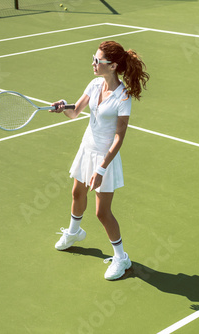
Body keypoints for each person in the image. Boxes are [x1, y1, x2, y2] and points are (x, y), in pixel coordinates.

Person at [50, 40, 149, 280]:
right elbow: (75, 112)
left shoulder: (123, 97)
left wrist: (102, 168)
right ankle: (74, 233)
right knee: (76, 193)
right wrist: (62, 107)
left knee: (102, 213)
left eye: (98, 61)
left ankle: (121, 258)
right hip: (87, 149)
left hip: (105, 158)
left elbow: (119, 137)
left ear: (113, 66)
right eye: (93, 58)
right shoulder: (94, 84)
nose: (93, 63)